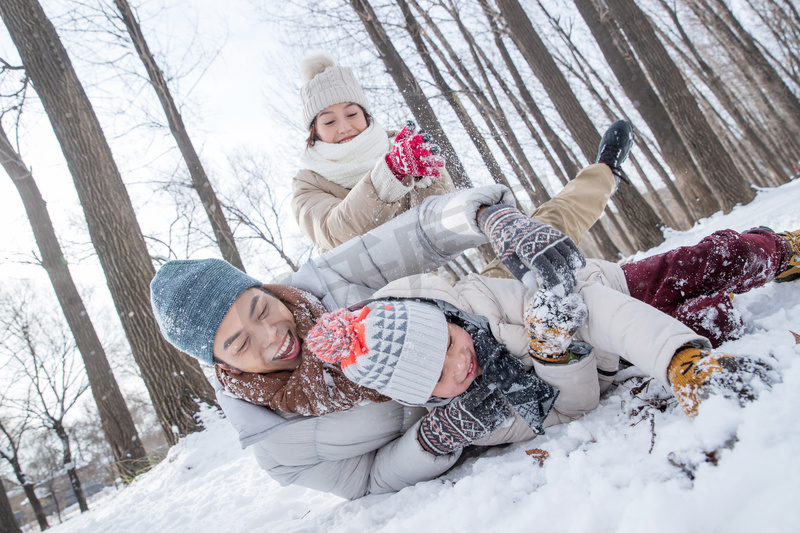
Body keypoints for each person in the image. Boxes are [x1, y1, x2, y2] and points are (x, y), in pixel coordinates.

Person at [151, 184, 586, 500]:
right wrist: (433, 439)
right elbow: (366, 481)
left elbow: (415, 234)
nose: (272, 337)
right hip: (513, 393)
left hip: (481, 315)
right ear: (223, 365)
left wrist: (484, 217)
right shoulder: (277, 447)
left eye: (261, 309)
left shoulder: (325, 283)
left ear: (264, 289)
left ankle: (598, 177)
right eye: (241, 344)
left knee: (570, 258)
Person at [292, 52, 624, 253]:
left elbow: (442, 216)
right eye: (329, 121)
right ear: (314, 132)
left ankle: (603, 172)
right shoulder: (309, 183)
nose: (344, 127)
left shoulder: (403, 146)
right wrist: (387, 177)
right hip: (367, 302)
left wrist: (429, 181)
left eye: (351, 114)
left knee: (530, 239)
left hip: (429, 275)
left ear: (366, 115)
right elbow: (337, 235)